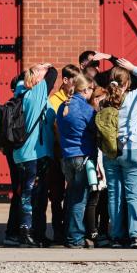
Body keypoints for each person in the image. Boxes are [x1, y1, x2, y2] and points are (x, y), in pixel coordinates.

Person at [92, 52, 137, 249]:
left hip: (111, 152)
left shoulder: (103, 102)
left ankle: (117, 235)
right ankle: (136, 235)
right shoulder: (134, 98)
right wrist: (133, 67)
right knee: (133, 194)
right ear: (127, 83)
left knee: (114, 194)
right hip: (133, 149)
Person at [9, 63, 58, 247]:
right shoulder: (36, 93)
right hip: (34, 154)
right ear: (37, 79)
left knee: (31, 193)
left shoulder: (20, 92)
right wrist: (47, 66)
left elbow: (22, 79)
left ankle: (34, 232)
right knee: (33, 194)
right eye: (40, 73)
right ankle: (28, 233)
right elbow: (53, 73)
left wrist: (35, 70)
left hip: (21, 153)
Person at [56, 73, 98, 248]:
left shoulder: (62, 107)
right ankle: (76, 238)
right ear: (86, 89)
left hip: (67, 157)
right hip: (83, 157)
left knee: (72, 196)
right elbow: (96, 131)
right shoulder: (87, 110)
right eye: (91, 90)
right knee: (80, 199)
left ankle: (69, 234)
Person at [46, 64, 80, 244]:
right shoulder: (54, 100)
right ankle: (58, 231)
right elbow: (53, 128)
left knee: (73, 192)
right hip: (58, 153)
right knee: (57, 194)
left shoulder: (78, 98)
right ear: (65, 81)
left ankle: (70, 229)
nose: (77, 84)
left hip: (73, 153)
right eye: (74, 80)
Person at [86, 86, 110, 246]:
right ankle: (93, 232)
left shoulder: (96, 114)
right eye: (104, 100)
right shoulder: (92, 115)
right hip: (96, 160)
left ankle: (101, 231)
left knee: (102, 198)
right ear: (96, 99)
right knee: (94, 198)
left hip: (101, 159)